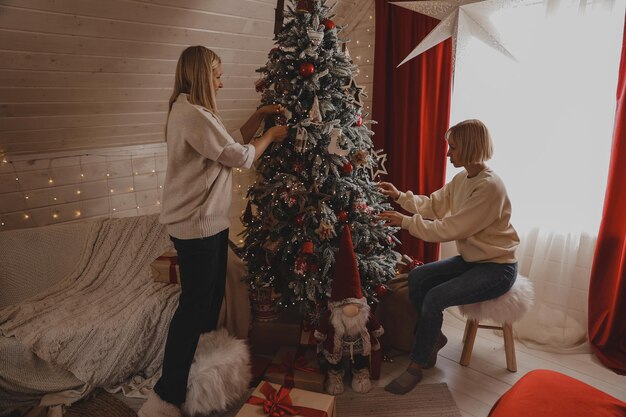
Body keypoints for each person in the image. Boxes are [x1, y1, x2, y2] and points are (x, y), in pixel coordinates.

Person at [138, 46, 289, 417]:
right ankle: (168, 394)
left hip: (208, 224)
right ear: (203, 75)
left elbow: (230, 139)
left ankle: (197, 377)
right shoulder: (193, 115)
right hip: (196, 227)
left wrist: (259, 116)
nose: (221, 82)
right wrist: (271, 136)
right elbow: (240, 155)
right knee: (194, 307)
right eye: (218, 75)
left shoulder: (194, 111)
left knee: (206, 304)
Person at [377, 119, 520, 395]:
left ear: (467, 148)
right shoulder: (462, 179)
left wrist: (405, 222)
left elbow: (449, 228)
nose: (448, 154)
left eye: (452, 148)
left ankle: (417, 365)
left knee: (435, 297)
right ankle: (430, 339)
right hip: (473, 261)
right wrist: (400, 196)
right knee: (418, 276)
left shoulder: (489, 188)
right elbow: (433, 205)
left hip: (497, 268)